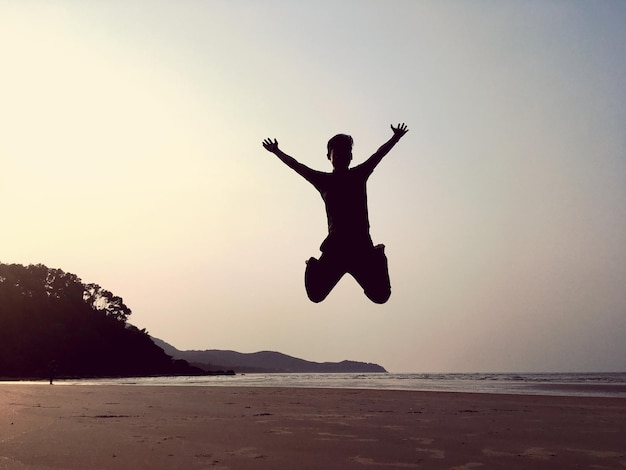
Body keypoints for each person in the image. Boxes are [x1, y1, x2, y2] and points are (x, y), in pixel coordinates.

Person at [262, 123, 408, 303]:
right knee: (315, 295)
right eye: (336, 152)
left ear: (351, 156)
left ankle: (378, 254)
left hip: (360, 246)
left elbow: (379, 155)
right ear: (328, 156)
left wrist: (395, 138)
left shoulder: (359, 174)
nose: (341, 156)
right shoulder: (323, 181)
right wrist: (277, 151)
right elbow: (296, 166)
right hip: (336, 247)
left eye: (345, 152)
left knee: (381, 296)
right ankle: (313, 265)